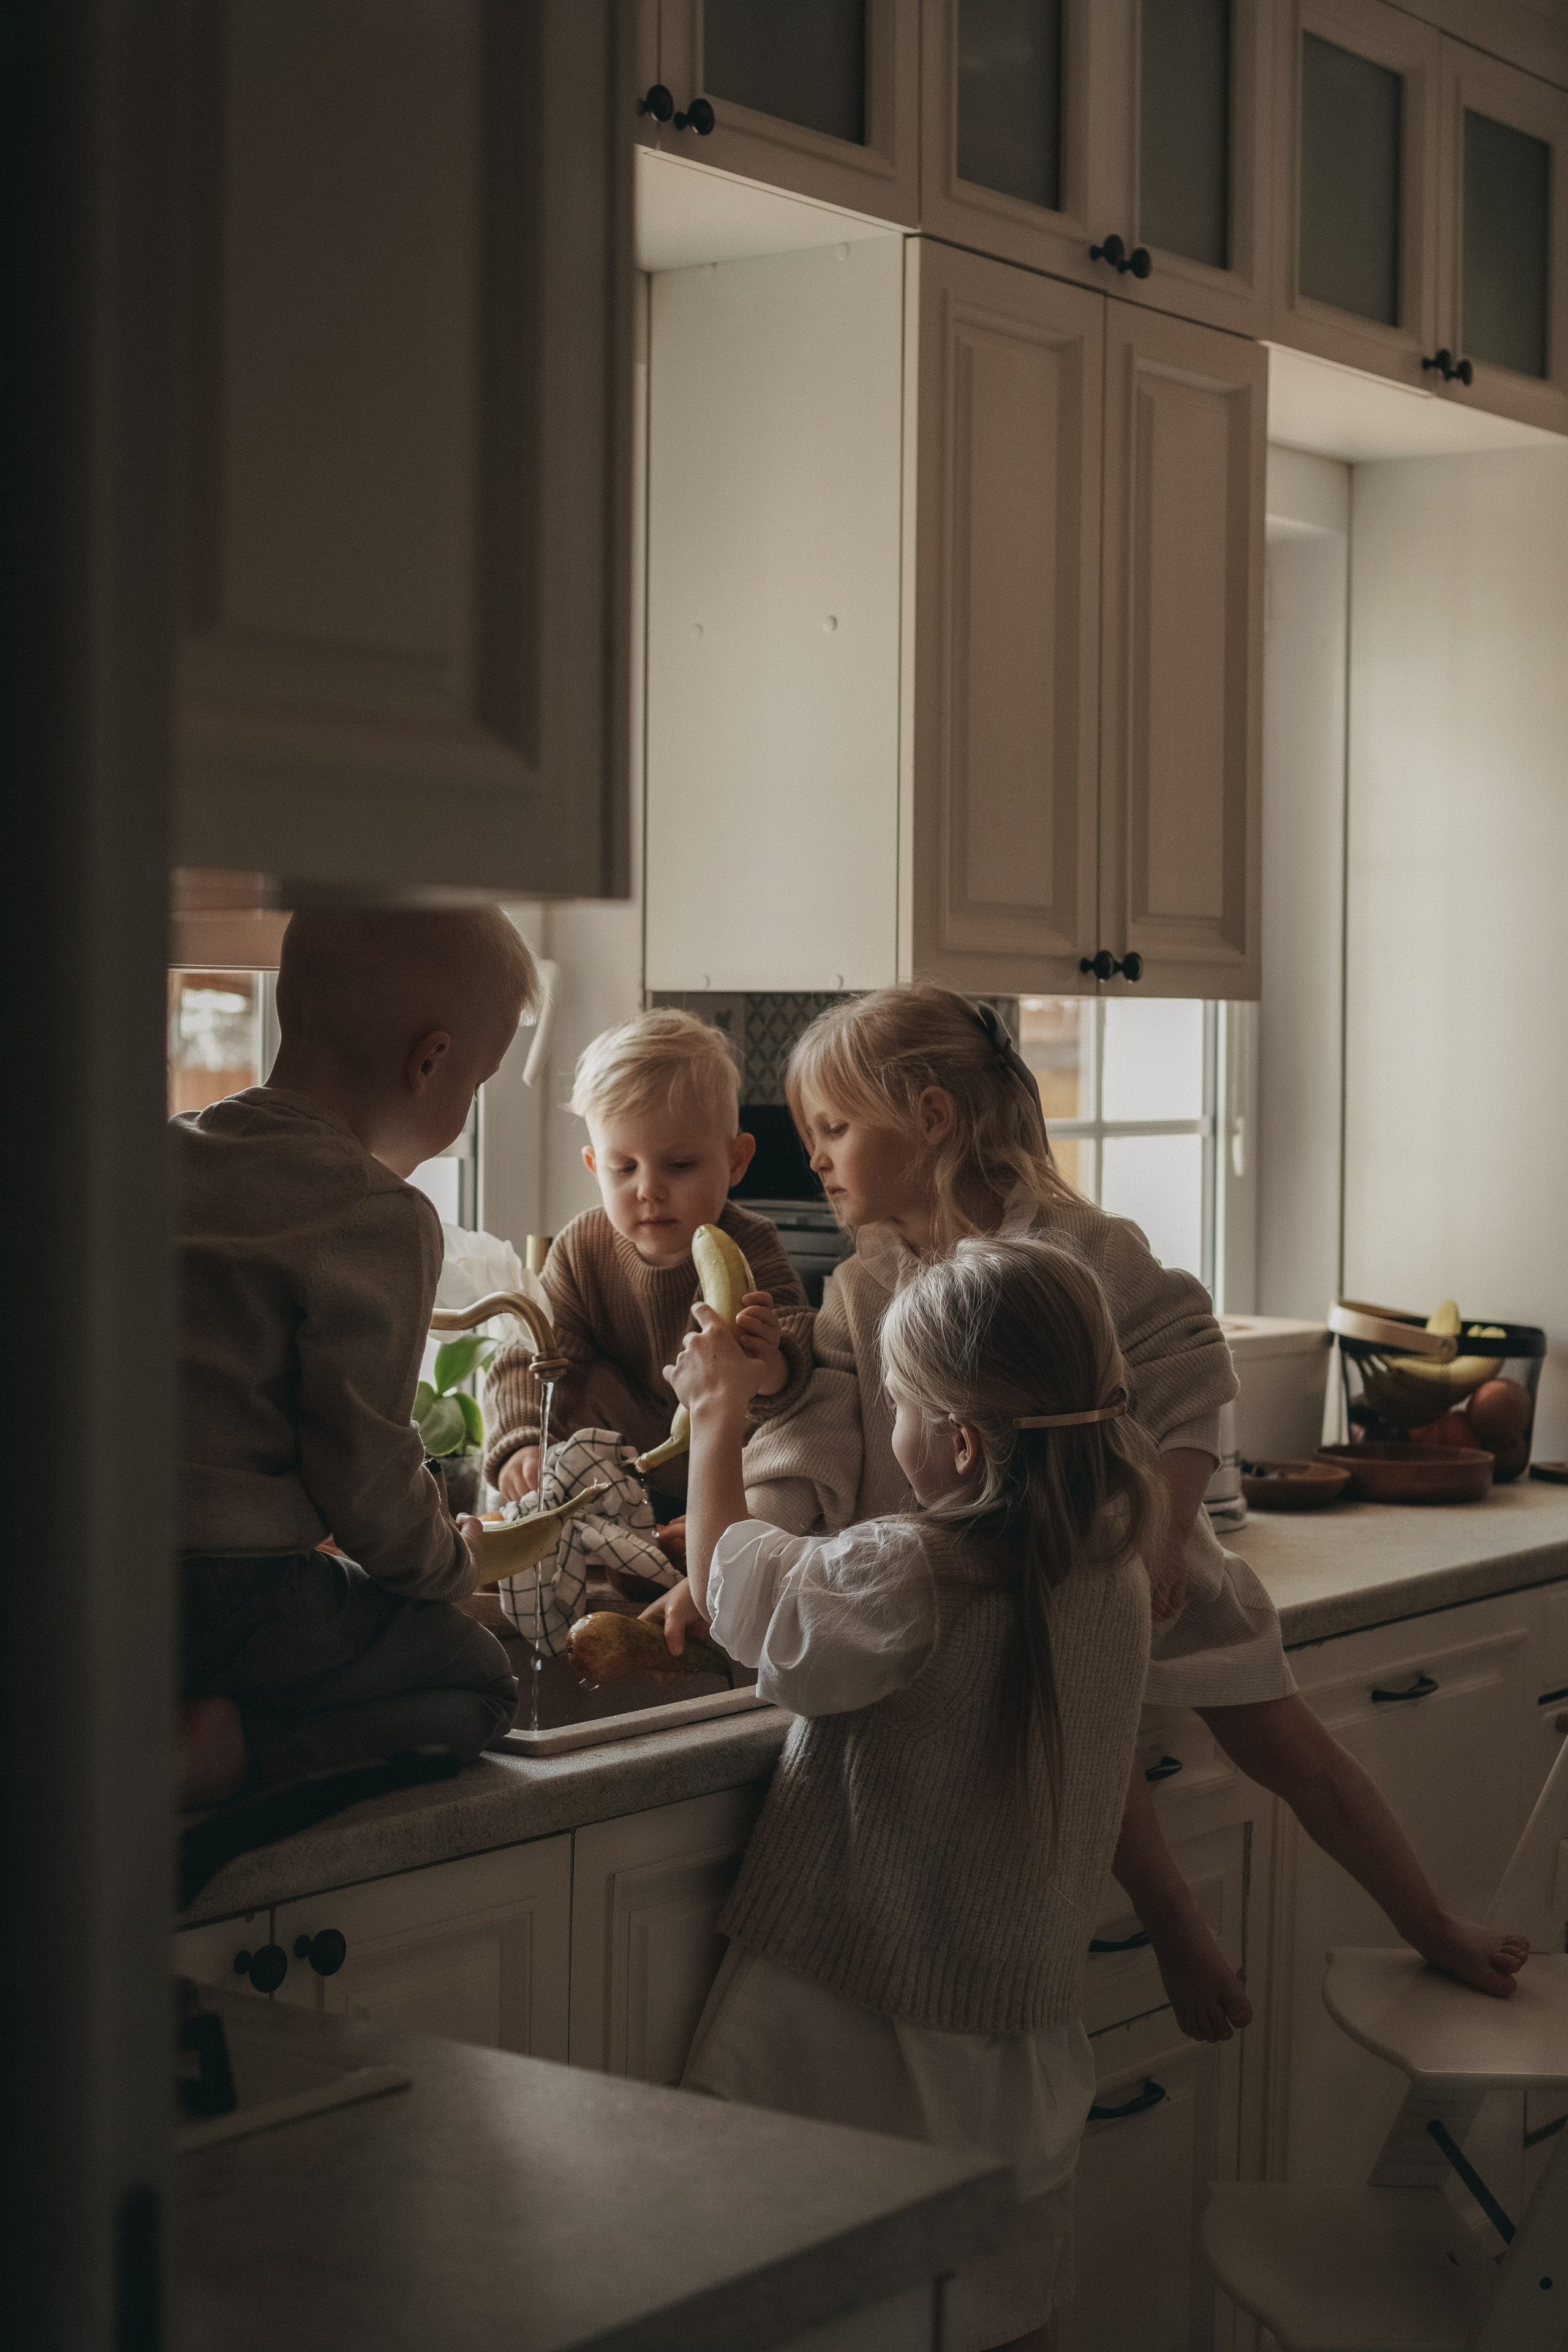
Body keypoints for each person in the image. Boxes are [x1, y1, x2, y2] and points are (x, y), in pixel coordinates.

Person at [651, 985, 1529, 2032]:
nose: (819, 1158)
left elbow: (1191, 1373)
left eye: (833, 1129)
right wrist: (760, 1473)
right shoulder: (862, 1286)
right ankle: (1177, 1929)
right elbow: (823, 1430)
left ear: (930, 1118)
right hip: (987, 1576)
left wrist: (1159, 1541)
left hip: (1127, 1560)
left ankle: (1431, 1921)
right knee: (1078, 1762)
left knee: (1288, 1748)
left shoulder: (1077, 1243)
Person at [671, 1234, 1155, 2352]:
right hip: (1017, 2058)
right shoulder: (1111, 1565)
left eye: (897, 1404)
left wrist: (717, 1416)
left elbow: (732, 1586)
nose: (890, 1429)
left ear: (960, 1440)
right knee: (994, 2321)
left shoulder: (906, 1574)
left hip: (850, 2049)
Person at [173, 908, 532, 1805]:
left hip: (84, 1572)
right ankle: (221, 1753)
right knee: (479, 1683)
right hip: (232, 1597)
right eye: (478, 1084)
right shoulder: (378, 1215)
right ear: (430, 1060)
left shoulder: (159, 1154)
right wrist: (452, 1562)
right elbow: (367, 1475)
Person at [483, 1008, 813, 1517]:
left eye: (679, 1165)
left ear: (736, 1161)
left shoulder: (748, 1243)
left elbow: (801, 1357)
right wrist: (521, 1443)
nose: (650, 1189)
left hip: (729, 1481)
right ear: (596, 1167)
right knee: (572, 1374)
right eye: (624, 1167)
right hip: (614, 1484)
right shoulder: (582, 1247)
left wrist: (770, 1362)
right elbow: (530, 1355)